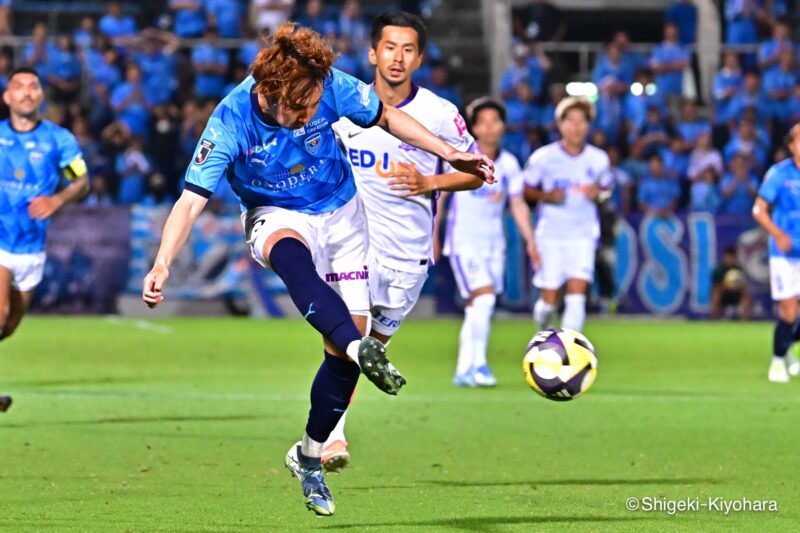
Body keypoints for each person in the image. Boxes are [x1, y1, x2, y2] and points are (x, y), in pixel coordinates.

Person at [140, 23, 493, 516]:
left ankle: (308, 455)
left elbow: (387, 117)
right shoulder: (230, 121)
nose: (310, 114)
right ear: (270, 91)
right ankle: (357, 345)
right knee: (292, 257)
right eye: (300, 108)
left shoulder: (327, 85)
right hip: (274, 213)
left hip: (342, 211)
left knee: (343, 357)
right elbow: (190, 201)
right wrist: (162, 262)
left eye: (313, 103)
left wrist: (449, 151)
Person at [328, 11, 487, 472]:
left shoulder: (439, 113)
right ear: (373, 52)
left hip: (408, 256)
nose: (397, 58)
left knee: (370, 351)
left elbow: (473, 173)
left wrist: (428, 183)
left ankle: (333, 422)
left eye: (408, 49)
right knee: (348, 339)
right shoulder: (343, 104)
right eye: (390, 47)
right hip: (353, 244)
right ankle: (332, 435)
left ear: (419, 58)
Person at [0, 67, 90, 413]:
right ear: (7, 96)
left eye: (32, 87)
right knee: (0, 314)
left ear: (40, 96)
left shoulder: (59, 140)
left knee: (7, 327)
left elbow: (80, 181)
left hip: (31, 248)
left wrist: (57, 199)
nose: (26, 92)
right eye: (18, 87)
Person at [441, 97, 537, 386]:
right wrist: (432, 236)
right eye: (483, 122)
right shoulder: (461, 158)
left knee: (478, 306)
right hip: (463, 241)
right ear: (474, 128)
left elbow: (518, 204)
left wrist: (530, 242)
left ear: (503, 126)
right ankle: (480, 365)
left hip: (495, 244)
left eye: (495, 121)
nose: (490, 127)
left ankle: (463, 369)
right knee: (483, 299)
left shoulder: (508, 163)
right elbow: (440, 196)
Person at [523, 97, 611, 333]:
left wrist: (598, 194)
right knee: (550, 299)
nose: (576, 127)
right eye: (570, 121)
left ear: (588, 126)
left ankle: (570, 352)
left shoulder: (599, 159)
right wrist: (547, 195)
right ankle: (543, 330)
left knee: (577, 293)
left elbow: (606, 191)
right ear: (560, 125)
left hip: (583, 233)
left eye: (581, 122)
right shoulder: (544, 157)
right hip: (550, 234)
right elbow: (525, 190)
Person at [752, 123, 800, 383]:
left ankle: (786, 348)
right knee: (790, 311)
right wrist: (778, 233)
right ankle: (778, 361)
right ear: (791, 146)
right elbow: (758, 209)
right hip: (785, 253)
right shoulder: (780, 174)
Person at [710, 246, 751, 320]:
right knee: (716, 294)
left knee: (745, 295)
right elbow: (715, 286)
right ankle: (714, 318)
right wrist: (727, 284)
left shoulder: (738, 269)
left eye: (731, 257)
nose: (729, 259)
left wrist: (736, 286)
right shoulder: (719, 270)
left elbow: (743, 285)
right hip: (723, 294)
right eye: (727, 257)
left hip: (735, 293)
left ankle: (744, 319)